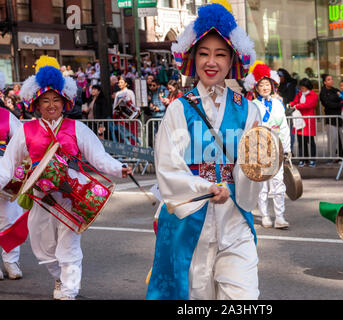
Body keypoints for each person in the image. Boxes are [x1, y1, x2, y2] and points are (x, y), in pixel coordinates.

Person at [146, 0, 262, 300]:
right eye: (204, 53)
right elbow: (169, 169)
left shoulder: (248, 111)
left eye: (220, 54)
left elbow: (252, 165)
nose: (212, 61)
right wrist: (206, 187)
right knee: (197, 298)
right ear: (193, 58)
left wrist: (254, 174)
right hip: (190, 223)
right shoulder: (178, 110)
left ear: (232, 60)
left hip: (235, 220)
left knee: (243, 296)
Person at [0, 56, 132, 299]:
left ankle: (69, 289)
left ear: (65, 102)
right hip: (40, 198)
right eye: (46, 101)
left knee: (69, 245)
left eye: (56, 100)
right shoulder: (25, 130)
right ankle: (59, 278)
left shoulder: (76, 128)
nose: (51, 105)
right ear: (37, 105)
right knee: (43, 248)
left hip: (73, 196)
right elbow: (8, 164)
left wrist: (119, 167)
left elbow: (98, 156)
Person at [243, 61, 291, 229]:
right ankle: (265, 215)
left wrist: (287, 148)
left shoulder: (278, 104)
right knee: (262, 184)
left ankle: (280, 216)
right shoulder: (252, 105)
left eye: (267, 84)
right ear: (255, 87)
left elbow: (284, 126)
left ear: (272, 85)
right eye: (261, 85)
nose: (265, 87)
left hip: (277, 147)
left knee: (278, 183)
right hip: (260, 147)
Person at [0, 97, 24, 280]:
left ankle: (11, 261)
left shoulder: (6, 116)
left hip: (7, 176)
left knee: (11, 219)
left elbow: (21, 142)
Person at [289, 78, 318, 167]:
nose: (302, 89)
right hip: (299, 120)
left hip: (308, 121)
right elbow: (294, 101)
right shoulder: (299, 94)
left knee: (310, 141)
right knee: (301, 141)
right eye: (301, 87)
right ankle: (303, 159)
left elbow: (309, 104)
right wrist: (291, 104)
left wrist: (297, 106)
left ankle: (312, 159)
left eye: (303, 87)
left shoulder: (314, 95)